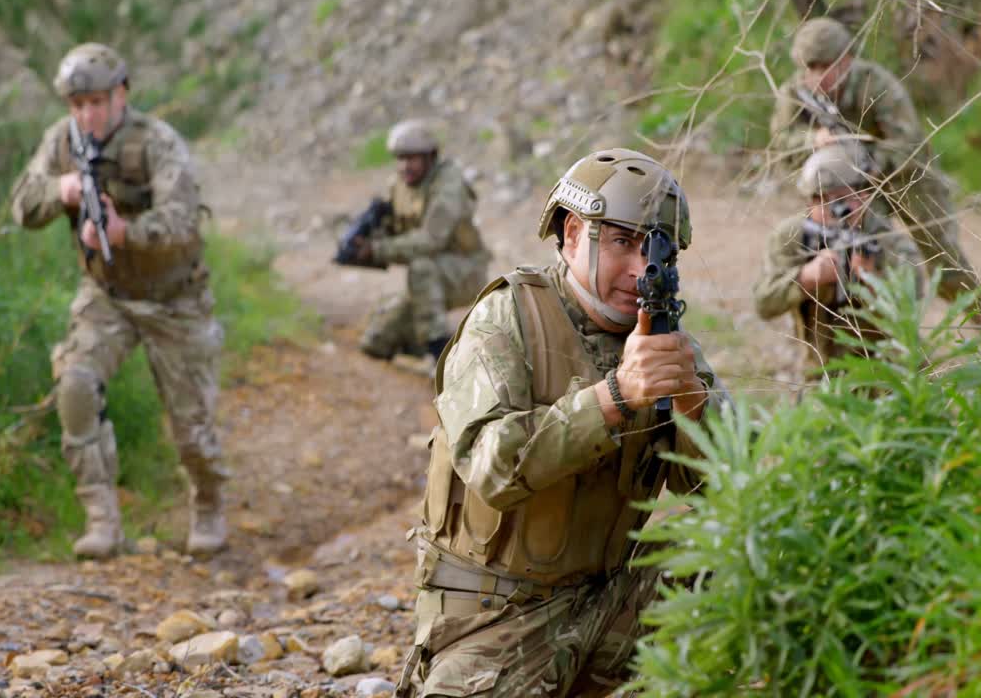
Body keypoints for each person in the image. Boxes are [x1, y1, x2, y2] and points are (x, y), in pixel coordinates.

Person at [397, 149, 727, 697]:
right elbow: (491, 465)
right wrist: (616, 396)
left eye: (657, 249)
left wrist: (695, 408)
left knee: (743, 555)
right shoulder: (506, 319)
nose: (640, 268)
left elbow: (735, 491)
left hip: (611, 600)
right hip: (498, 616)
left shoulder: (662, 338)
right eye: (622, 241)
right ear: (574, 234)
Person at [10, 43, 227, 558]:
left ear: (121, 94)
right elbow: (21, 203)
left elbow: (183, 218)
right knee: (77, 386)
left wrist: (126, 231)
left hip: (176, 300)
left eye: (97, 102)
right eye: (77, 104)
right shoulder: (62, 142)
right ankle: (102, 518)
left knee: (191, 428)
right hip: (107, 295)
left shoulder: (156, 142)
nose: (87, 114)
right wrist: (61, 190)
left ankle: (209, 504)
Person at [770, 16, 978, 302]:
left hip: (905, 178)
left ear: (847, 60)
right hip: (851, 190)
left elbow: (906, 144)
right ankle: (873, 331)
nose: (818, 76)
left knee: (942, 255)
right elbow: (781, 144)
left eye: (826, 65)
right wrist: (812, 141)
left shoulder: (876, 83)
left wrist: (858, 160)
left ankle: (980, 321)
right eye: (811, 67)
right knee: (863, 251)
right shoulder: (794, 94)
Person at [754, 142, 922, 374]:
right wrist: (806, 278)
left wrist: (873, 282)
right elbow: (763, 302)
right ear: (808, 200)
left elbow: (915, 299)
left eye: (842, 198)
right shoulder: (792, 236)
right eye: (821, 198)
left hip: (887, 371)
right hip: (820, 372)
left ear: (863, 195)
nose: (831, 208)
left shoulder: (886, 239)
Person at [349, 120, 490, 372]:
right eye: (400, 159)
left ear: (430, 157)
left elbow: (430, 241)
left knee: (421, 267)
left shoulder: (448, 185)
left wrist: (378, 249)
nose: (405, 167)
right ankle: (447, 345)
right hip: (431, 281)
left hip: (465, 272)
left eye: (412, 159)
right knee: (377, 341)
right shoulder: (399, 185)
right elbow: (396, 230)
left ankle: (441, 357)